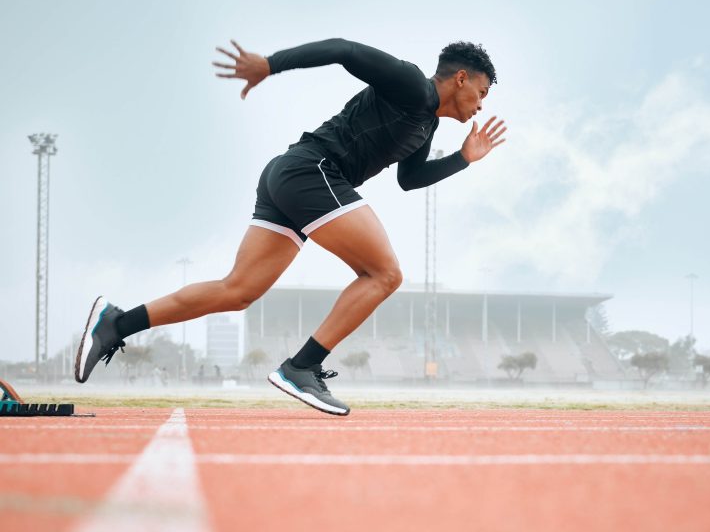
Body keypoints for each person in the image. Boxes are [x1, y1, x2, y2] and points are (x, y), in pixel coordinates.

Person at [74, 38, 506, 415]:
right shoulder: (411, 84)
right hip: (312, 171)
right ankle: (302, 366)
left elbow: (409, 180)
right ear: (462, 78)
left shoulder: (426, 124)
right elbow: (345, 50)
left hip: (293, 176)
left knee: (237, 291)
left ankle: (116, 323)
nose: (482, 105)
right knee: (385, 274)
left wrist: (463, 160)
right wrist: (270, 64)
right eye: (482, 92)